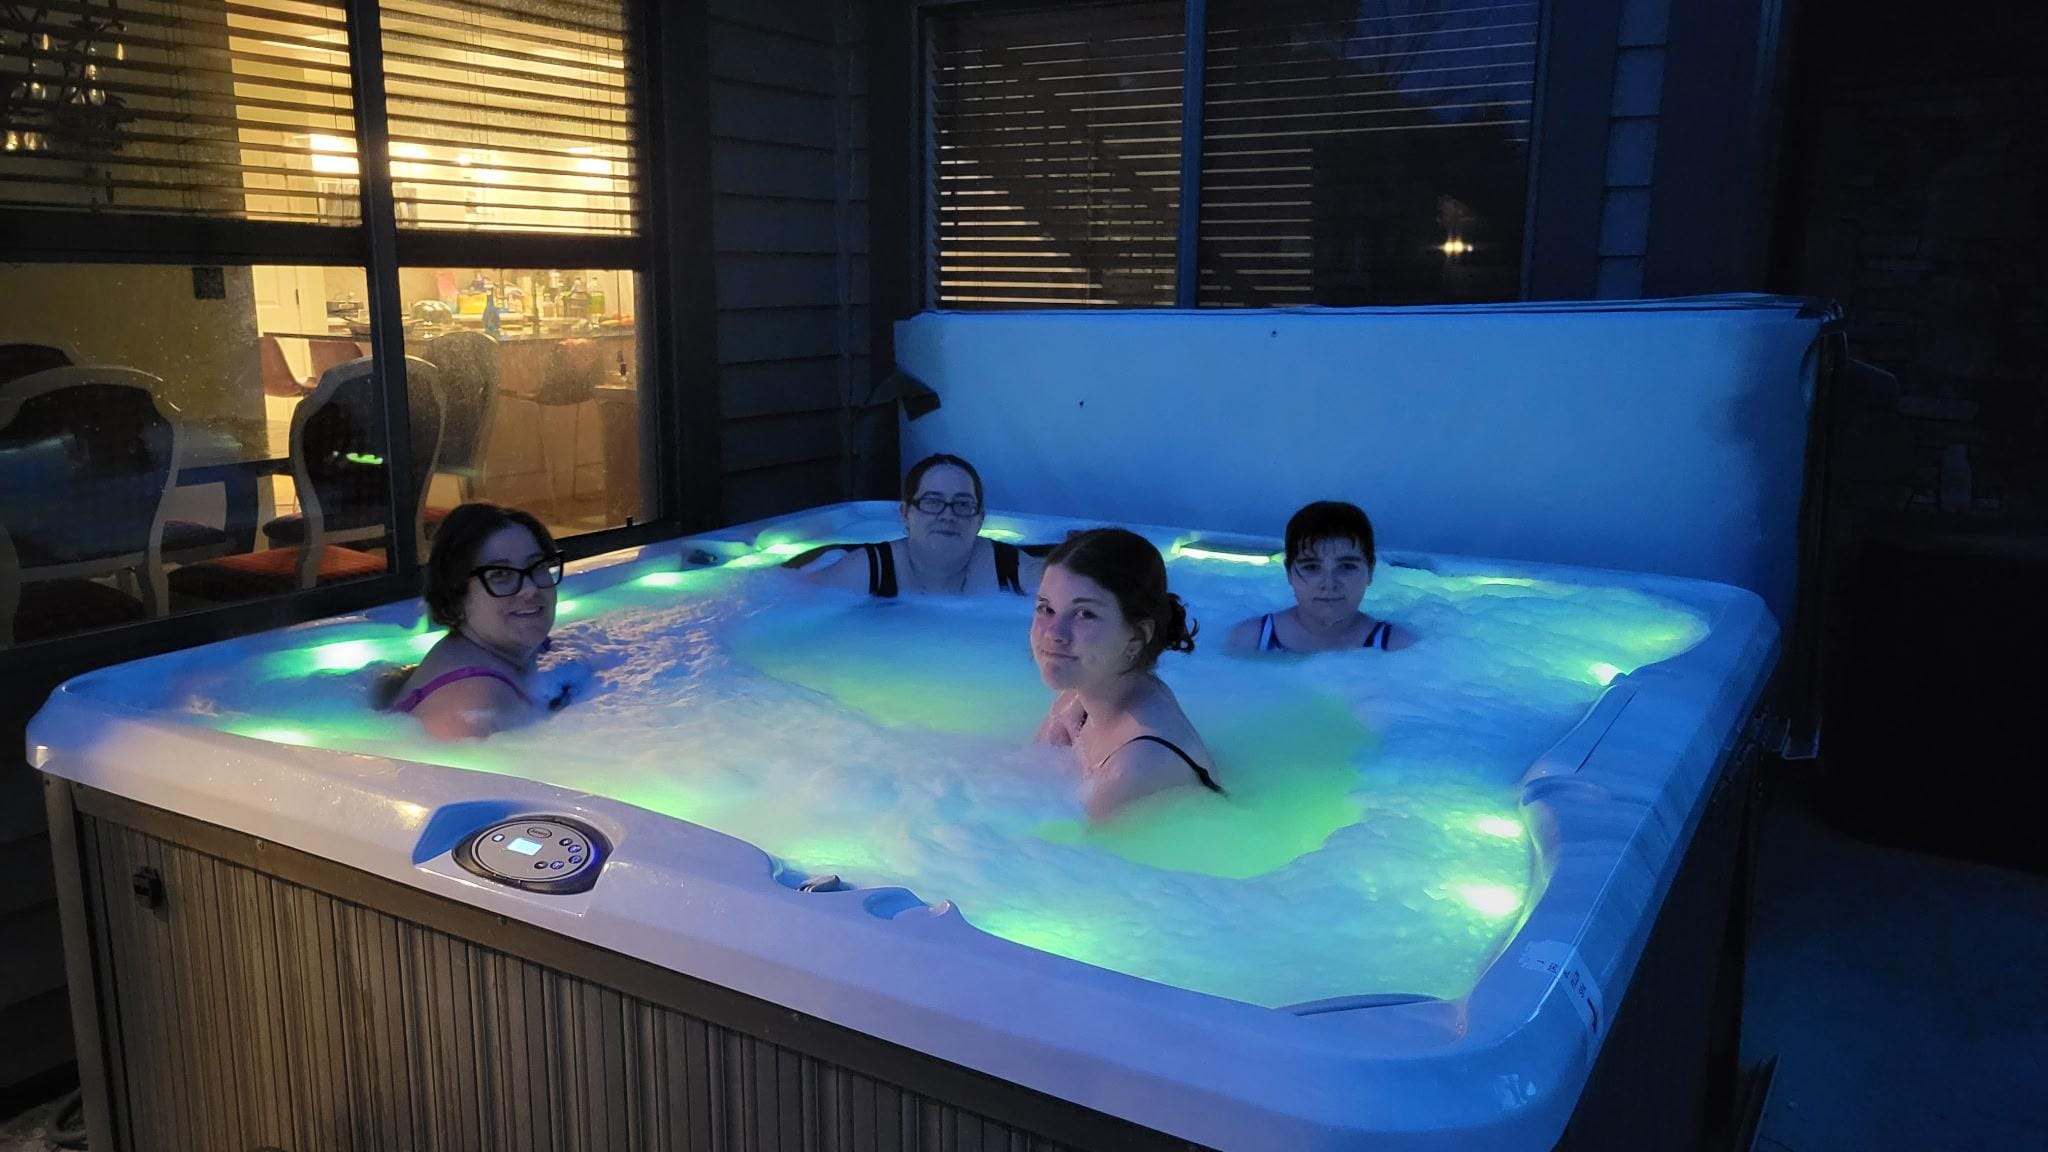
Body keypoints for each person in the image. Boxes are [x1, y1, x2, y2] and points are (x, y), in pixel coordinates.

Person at [1032, 528, 1221, 820]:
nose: (1053, 633)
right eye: (1046, 608)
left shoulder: (1140, 764)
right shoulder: (1082, 695)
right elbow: (1030, 769)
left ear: (1137, 636)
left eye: (1085, 613)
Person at [384, 503, 576, 739]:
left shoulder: (499, 652)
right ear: (456, 594)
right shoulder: (473, 711)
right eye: (500, 574)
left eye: (538, 565)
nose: (530, 589)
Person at [804, 453, 1039, 597]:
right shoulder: (867, 572)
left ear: (980, 519)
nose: (948, 515)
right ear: (906, 513)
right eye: (932, 502)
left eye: (963, 504)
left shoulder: (1016, 573)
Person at [1226, 500, 1413, 654]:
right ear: (1289, 573)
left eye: (1347, 566)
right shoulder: (1249, 639)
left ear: (1370, 572)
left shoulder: (1397, 648)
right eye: (1312, 567)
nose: (1329, 583)